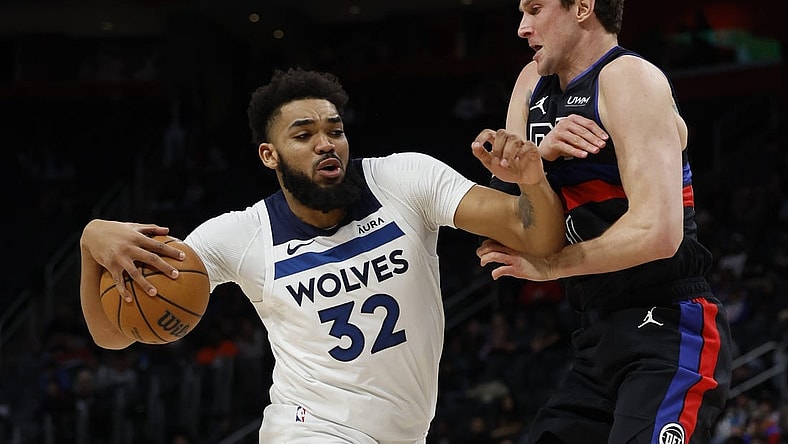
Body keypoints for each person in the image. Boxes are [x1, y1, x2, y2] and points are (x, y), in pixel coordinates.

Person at [79, 67, 566, 443]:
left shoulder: (406, 181)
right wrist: (90, 241)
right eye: (304, 134)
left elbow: (539, 237)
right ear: (270, 155)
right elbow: (113, 336)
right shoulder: (243, 234)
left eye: (334, 130)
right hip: (309, 428)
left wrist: (532, 181)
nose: (325, 143)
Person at [475, 0, 733, 443]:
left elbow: (658, 233)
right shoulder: (530, 83)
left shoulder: (628, 78)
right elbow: (517, 227)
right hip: (595, 333)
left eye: (535, 9)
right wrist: (539, 167)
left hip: (669, 328)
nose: (522, 27)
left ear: (582, 7)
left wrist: (552, 267)